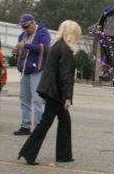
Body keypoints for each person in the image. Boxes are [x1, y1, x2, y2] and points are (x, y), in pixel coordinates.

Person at [18, 20, 81, 165]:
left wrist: (46, 93)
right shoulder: (65, 49)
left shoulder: (55, 46)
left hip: (52, 90)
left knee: (64, 121)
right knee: (46, 122)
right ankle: (28, 152)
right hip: (57, 92)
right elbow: (65, 75)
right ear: (72, 33)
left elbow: (49, 71)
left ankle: (64, 154)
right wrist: (66, 98)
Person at [11, 14, 51, 136]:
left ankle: (39, 127)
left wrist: (26, 46)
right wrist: (16, 52)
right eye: (22, 27)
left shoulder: (43, 33)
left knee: (37, 100)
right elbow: (22, 51)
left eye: (26, 26)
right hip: (24, 70)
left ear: (33, 23)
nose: (25, 29)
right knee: (24, 99)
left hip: (37, 70)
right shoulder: (22, 36)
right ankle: (25, 125)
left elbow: (44, 49)